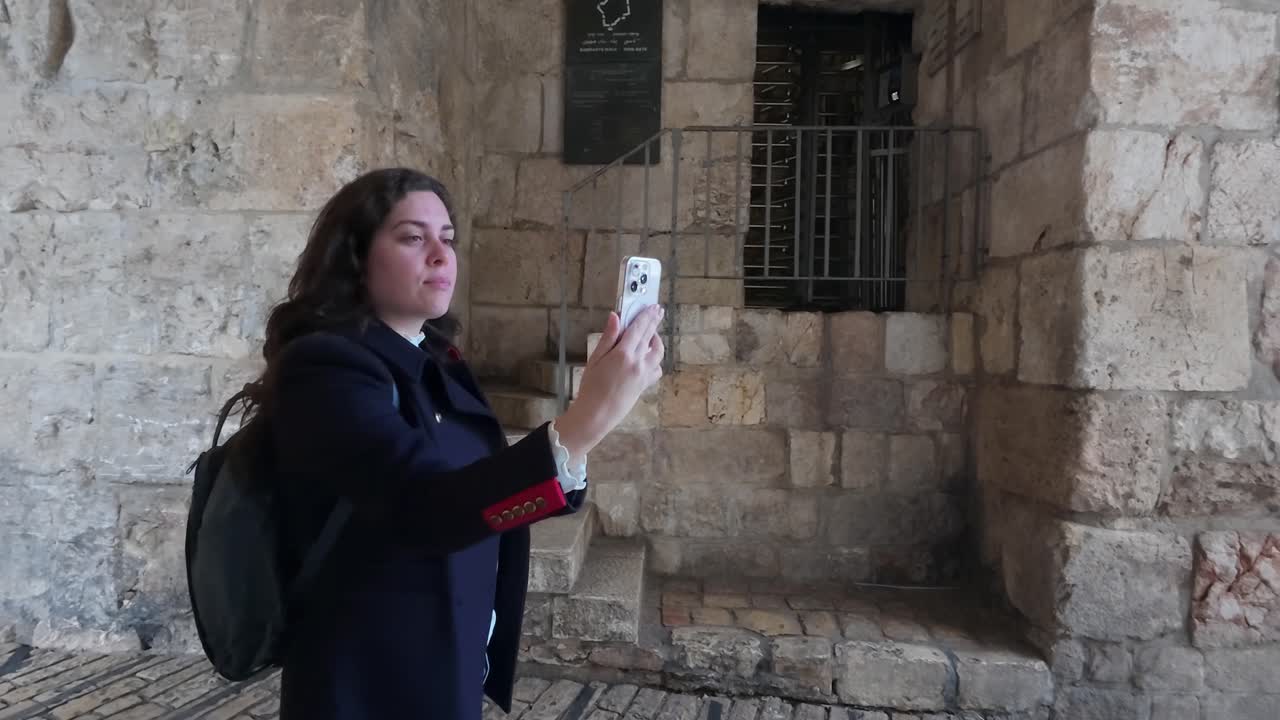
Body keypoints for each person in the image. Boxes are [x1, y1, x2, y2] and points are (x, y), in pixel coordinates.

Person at [243, 168, 664, 720]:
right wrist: (584, 421)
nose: (441, 256)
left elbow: (483, 486)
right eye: (413, 237)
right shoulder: (325, 367)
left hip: (447, 652)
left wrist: (578, 440)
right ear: (356, 257)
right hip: (370, 676)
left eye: (448, 238)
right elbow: (423, 509)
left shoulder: (438, 358)